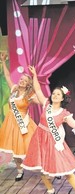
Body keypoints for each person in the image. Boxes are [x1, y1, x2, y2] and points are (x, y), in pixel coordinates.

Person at [21, 66, 75, 194]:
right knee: (42, 169)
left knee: (67, 170)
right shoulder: (46, 104)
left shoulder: (64, 113)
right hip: (40, 140)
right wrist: (34, 75)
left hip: (54, 142)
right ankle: (50, 190)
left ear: (62, 98)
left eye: (58, 94)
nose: (55, 95)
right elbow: (37, 89)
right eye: (54, 93)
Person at [0, 52, 38, 181]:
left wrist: (35, 76)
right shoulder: (14, 89)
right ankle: (20, 171)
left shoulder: (29, 95)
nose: (21, 81)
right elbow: (6, 76)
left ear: (28, 84)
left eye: (25, 80)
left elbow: (41, 100)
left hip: (24, 124)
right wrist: (3, 62)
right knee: (14, 150)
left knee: (31, 148)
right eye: (21, 79)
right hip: (11, 123)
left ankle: (47, 167)